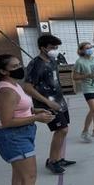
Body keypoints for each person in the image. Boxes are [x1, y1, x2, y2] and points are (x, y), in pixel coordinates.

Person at [0, 54, 60, 185]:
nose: (19, 67)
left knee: (19, 175)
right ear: (3, 71)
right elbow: (7, 122)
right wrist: (36, 118)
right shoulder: (6, 91)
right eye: (14, 66)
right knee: (29, 177)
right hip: (15, 137)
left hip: (21, 135)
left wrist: (39, 110)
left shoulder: (14, 85)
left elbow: (22, 109)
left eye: (19, 64)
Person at [23, 34, 75, 175]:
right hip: (48, 103)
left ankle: (58, 158)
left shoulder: (52, 60)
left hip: (59, 101)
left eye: (56, 47)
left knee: (63, 130)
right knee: (62, 129)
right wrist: (47, 102)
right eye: (52, 47)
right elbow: (27, 87)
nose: (55, 50)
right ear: (42, 48)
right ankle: (52, 161)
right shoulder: (36, 64)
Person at [73, 42, 94, 143]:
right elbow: (75, 77)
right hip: (88, 88)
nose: (90, 49)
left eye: (90, 47)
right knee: (93, 109)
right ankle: (85, 132)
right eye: (87, 48)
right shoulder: (79, 62)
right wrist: (87, 75)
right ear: (82, 50)